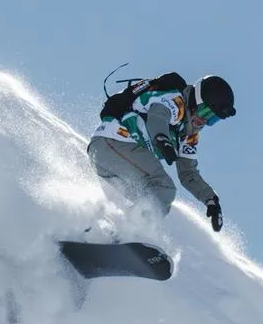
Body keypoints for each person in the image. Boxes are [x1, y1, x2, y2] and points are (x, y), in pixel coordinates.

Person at [87, 71, 235, 232]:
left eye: (212, 119)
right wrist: (162, 139)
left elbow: (188, 173)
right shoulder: (176, 101)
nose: (204, 120)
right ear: (196, 101)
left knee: (153, 199)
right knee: (164, 188)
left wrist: (211, 200)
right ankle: (128, 232)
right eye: (205, 112)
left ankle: (98, 232)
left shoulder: (189, 135)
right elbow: (158, 115)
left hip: (112, 156)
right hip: (115, 141)